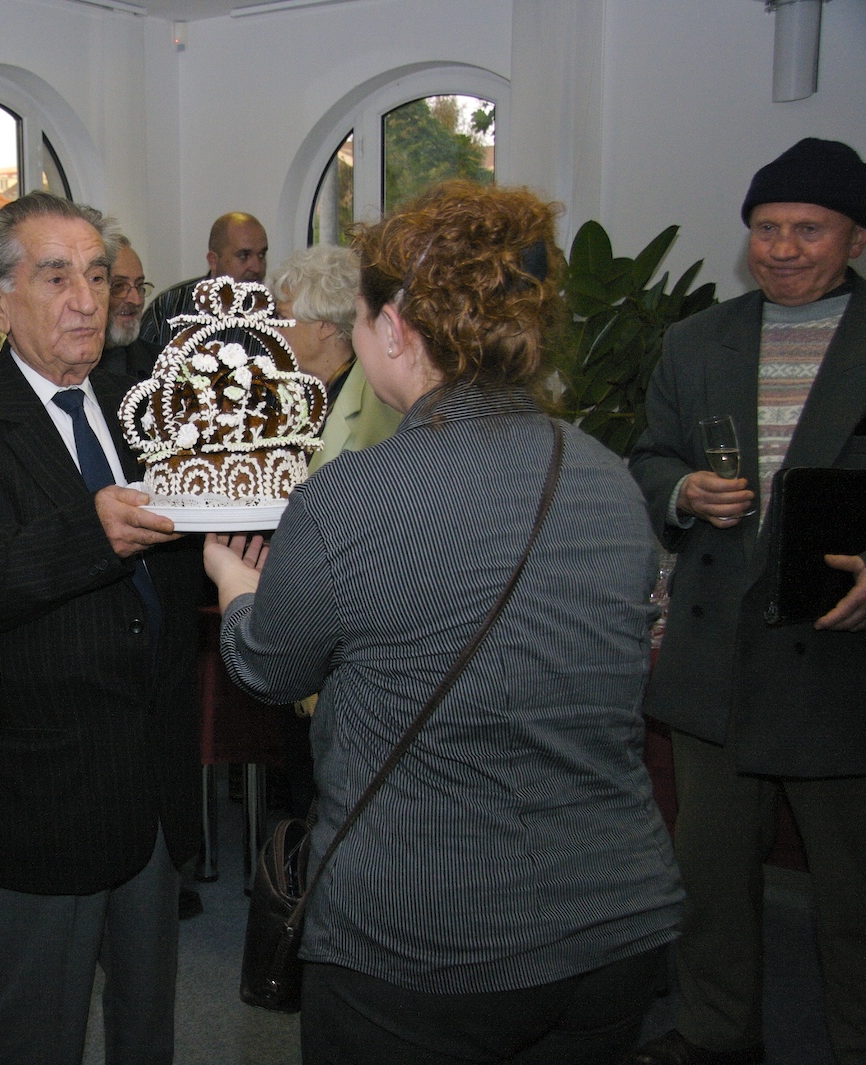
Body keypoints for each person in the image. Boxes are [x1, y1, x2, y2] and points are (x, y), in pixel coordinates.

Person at [205, 181, 683, 1065]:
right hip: (613, 918)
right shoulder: (608, 478)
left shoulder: (348, 497)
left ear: (393, 329)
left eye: (357, 316)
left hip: (422, 935)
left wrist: (237, 588)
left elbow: (269, 667)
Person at [0, 191, 206, 1065]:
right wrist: (88, 535)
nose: (88, 300)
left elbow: (178, 557)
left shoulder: (143, 407)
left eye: (99, 276)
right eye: (57, 277)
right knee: (34, 1031)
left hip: (154, 781)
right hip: (42, 791)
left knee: (147, 1027)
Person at [626, 137, 866, 1065]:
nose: (783, 248)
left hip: (839, 656)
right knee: (711, 875)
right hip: (716, 653)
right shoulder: (696, 341)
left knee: (853, 890)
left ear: (855, 237)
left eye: (809, 228)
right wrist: (682, 490)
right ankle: (716, 1032)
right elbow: (650, 456)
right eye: (766, 229)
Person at [267, 245, 404, 473]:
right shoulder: (296, 392)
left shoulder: (379, 406)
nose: (274, 330)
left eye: (282, 318)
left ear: (326, 325)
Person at [139, 210, 268, 353]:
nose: (257, 267)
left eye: (261, 255)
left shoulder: (274, 313)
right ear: (213, 260)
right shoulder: (170, 306)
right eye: (244, 255)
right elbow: (139, 361)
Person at [99, 233, 157, 378]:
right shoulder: (67, 370)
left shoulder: (165, 365)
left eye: (139, 286)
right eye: (119, 286)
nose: (136, 300)